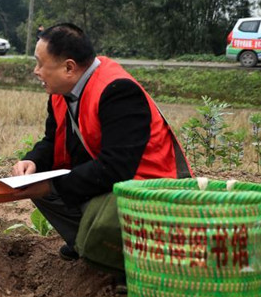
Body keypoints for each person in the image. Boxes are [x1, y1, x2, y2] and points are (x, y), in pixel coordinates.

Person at [12, 23, 191, 271]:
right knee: (35, 185)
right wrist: (32, 161)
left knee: (87, 207)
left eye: (40, 64)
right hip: (112, 179)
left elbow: (116, 168)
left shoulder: (118, 91)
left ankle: (127, 265)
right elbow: (52, 141)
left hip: (148, 191)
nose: (36, 71)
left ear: (69, 67)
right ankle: (87, 245)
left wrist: (53, 185)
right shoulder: (61, 93)